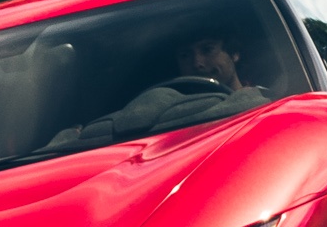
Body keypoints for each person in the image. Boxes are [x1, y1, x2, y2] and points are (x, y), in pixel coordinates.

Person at [44, 30, 270, 153]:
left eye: (207, 49)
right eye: (185, 55)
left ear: (234, 54)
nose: (198, 62)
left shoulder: (267, 104)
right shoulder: (152, 116)